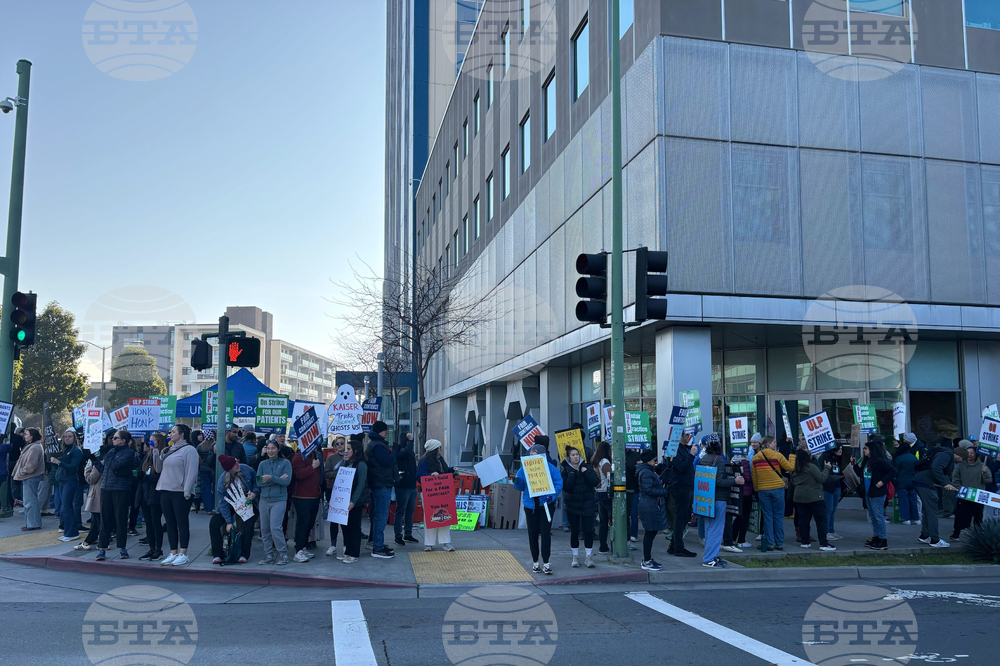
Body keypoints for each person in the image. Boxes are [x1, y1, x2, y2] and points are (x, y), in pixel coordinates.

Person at [513, 440, 562, 574]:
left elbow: (558, 483)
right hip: (530, 506)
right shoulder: (524, 469)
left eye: (534, 454)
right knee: (532, 534)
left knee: (546, 534)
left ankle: (546, 562)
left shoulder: (550, 468)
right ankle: (535, 562)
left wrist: (550, 496)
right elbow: (519, 486)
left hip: (546, 505)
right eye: (530, 454)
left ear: (542, 455)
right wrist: (518, 482)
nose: (531, 456)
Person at [157, 424, 199, 566]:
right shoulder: (168, 449)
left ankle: (183, 553)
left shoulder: (189, 450)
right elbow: (158, 468)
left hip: (180, 491)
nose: (170, 433)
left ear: (182, 434)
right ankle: (173, 552)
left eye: (173, 432)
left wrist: (187, 490)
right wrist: (156, 453)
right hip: (165, 489)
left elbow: (192, 471)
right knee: (170, 523)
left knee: (182, 522)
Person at [95, 430, 139, 561]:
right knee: (105, 519)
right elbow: (105, 470)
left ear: (123, 441)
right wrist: (95, 459)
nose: (112, 440)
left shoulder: (129, 453)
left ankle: (122, 547)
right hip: (106, 487)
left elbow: (116, 466)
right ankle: (102, 547)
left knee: (120, 518)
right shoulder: (111, 452)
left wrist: (107, 455)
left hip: (120, 488)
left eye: (115, 438)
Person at [210, 455, 258, 564]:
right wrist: (228, 522)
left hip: (248, 503)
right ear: (230, 468)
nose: (238, 465)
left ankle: (244, 554)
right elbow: (223, 503)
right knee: (214, 524)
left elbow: (257, 482)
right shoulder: (223, 481)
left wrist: (254, 493)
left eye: (237, 462)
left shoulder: (247, 470)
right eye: (235, 464)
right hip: (230, 504)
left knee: (248, 527)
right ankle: (218, 554)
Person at [698, 436, 736, 568]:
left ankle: (711, 555)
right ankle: (709, 558)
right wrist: (735, 481)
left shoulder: (703, 459)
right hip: (718, 498)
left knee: (709, 528)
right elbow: (719, 481)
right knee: (716, 529)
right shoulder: (718, 460)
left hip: (706, 498)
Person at [853, 438, 897, 551]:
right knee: (872, 517)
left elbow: (892, 471)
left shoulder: (880, 461)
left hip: (877, 493)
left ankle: (883, 539)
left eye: (866, 448)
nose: (864, 450)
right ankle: (876, 537)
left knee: (878, 516)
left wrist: (882, 481)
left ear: (872, 450)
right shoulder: (866, 461)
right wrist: (855, 464)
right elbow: (860, 473)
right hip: (868, 493)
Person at [560, 445, 600, 568]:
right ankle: (575, 557)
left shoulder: (586, 467)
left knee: (588, 531)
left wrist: (586, 472)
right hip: (572, 505)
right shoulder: (565, 470)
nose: (576, 457)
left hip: (588, 504)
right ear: (568, 458)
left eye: (577, 454)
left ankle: (588, 557)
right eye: (573, 455)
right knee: (575, 531)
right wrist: (572, 475)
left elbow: (595, 482)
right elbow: (566, 488)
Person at [913, 439, 957, 548]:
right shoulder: (947, 455)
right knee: (933, 511)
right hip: (926, 483)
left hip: (922, 481)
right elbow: (936, 468)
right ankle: (935, 540)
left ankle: (925, 535)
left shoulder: (942, 453)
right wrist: (945, 483)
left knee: (928, 510)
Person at [751, 435, 793, 550]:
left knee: (767, 516)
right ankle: (779, 543)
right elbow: (789, 467)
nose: (775, 444)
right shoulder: (777, 455)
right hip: (778, 488)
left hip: (763, 490)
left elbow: (754, 476)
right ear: (768, 444)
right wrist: (792, 456)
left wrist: (756, 489)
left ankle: (769, 542)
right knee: (778, 516)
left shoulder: (755, 458)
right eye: (774, 442)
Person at [790, 448, 836, 551]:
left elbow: (792, 482)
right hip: (815, 497)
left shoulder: (795, 469)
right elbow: (822, 478)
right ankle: (823, 544)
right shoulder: (810, 467)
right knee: (821, 521)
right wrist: (827, 468)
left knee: (804, 520)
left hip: (799, 497)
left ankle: (805, 541)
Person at [417, 438, 457, 551]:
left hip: (440, 493)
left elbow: (444, 472)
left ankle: (445, 542)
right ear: (435, 449)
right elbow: (419, 475)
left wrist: (452, 470)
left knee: (444, 515)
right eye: (439, 447)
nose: (440, 449)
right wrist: (430, 475)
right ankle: (429, 543)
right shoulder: (425, 461)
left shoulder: (440, 459)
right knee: (432, 517)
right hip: (430, 494)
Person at [257, 439, 292, 565]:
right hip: (264, 500)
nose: (270, 451)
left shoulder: (285, 463)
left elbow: (287, 482)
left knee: (275, 528)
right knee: (265, 529)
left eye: (273, 448)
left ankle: (283, 555)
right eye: (268, 448)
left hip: (279, 500)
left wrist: (270, 478)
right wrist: (277, 479)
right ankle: (269, 555)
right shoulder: (262, 464)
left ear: (278, 449)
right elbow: (259, 482)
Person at [365, 421, 397, 559]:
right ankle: (377, 547)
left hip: (379, 482)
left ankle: (378, 544)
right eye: (385, 430)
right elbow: (387, 461)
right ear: (380, 431)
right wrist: (394, 450)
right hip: (381, 483)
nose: (387, 433)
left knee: (379, 515)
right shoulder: (377, 445)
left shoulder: (374, 443)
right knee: (381, 516)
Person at [635, 448, 669, 571]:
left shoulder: (646, 471)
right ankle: (646, 560)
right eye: (654, 460)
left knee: (652, 531)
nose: (655, 462)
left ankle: (647, 559)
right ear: (649, 460)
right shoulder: (646, 473)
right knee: (650, 532)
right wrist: (665, 492)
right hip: (649, 505)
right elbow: (648, 490)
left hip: (649, 504)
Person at [951, 441, 992, 541]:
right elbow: (955, 478)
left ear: (976, 454)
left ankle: (978, 534)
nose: (970, 455)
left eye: (972, 453)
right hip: (964, 494)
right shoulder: (960, 466)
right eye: (968, 453)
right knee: (961, 514)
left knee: (978, 515)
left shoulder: (982, 466)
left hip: (978, 494)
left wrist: (985, 473)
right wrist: (959, 488)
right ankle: (956, 533)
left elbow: (988, 480)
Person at [665, 433, 697, 558]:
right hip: (680, 486)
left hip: (686, 486)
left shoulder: (684, 448)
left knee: (684, 517)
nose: (687, 436)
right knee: (680, 517)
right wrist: (691, 455)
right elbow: (681, 467)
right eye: (685, 434)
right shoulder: (674, 449)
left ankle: (674, 544)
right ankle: (678, 547)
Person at [290, 445, 322, 563]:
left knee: (309, 523)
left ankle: (303, 547)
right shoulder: (298, 457)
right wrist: (313, 467)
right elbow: (298, 474)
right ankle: (298, 550)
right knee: (303, 524)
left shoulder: (315, 456)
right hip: (301, 496)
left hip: (314, 495)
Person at [137, 434, 166, 561]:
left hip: (155, 493)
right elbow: (141, 471)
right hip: (145, 492)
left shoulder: (161, 455)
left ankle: (158, 549)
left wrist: (147, 477)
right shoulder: (147, 456)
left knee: (155, 522)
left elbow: (159, 474)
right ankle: (151, 547)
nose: (149, 443)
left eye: (152, 441)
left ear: (158, 442)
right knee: (148, 522)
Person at [340, 436, 369, 564]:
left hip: (355, 501)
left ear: (356, 451)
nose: (347, 451)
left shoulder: (361, 464)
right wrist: (345, 462)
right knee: (346, 527)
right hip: (346, 499)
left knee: (354, 527)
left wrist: (353, 501)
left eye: (349, 449)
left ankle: (354, 553)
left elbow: (360, 484)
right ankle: (348, 551)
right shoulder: (350, 462)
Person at [53, 429, 84, 542]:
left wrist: (59, 462)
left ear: (74, 438)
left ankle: (72, 532)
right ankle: (68, 531)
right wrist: (53, 461)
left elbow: (73, 467)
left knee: (67, 507)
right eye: (65, 436)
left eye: (69, 436)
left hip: (70, 480)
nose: (67, 438)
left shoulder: (76, 451)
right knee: (64, 507)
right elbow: (60, 467)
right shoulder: (65, 450)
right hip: (62, 479)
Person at [12, 428, 45, 531]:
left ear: (32, 436)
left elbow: (31, 466)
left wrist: (21, 471)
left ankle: (33, 523)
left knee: (30, 501)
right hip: (30, 476)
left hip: (30, 477)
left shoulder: (34, 448)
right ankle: (31, 522)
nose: (24, 436)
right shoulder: (34, 446)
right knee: (30, 501)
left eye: (26, 434)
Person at [75, 445, 105, 552]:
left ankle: (93, 541)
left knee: (97, 520)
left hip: (97, 493)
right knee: (97, 520)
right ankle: (91, 540)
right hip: (101, 492)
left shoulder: (99, 463)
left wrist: (87, 469)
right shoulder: (104, 460)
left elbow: (91, 479)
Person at [394, 432, 419, 547]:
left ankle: (408, 533)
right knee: (400, 511)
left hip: (411, 485)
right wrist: (411, 441)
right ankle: (398, 535)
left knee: (410, 511)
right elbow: (406, 452)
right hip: (403, 486)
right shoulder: (399, 451)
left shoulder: (409, 451)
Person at [324, 436, 346, 557]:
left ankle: (345, 544)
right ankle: (333, 544)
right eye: (337, 444)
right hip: (332, 489)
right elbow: (326, 473)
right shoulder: (331, 458)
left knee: (345, 519)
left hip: (346, 491)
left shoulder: (350, 457)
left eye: (342, 443)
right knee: (333, 519)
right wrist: (339, 473)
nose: (339, 445)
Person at [590, 440, 613, 554]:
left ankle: (603, 546)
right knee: (613, 519)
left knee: (603, 521)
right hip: (605, 492)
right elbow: (610, 477)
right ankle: (615, 545)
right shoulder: (604, 462)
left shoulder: (595, 461)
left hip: (598, 492)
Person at [730, 448, 754, 549]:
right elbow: (748, 478)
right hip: (746, 493)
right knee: (744, 517)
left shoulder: (732, 462)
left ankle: (732, 537)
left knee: (738, 516)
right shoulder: (745, 462)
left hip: (736, 492)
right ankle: (741, 540)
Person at [892, 439, 919, 525]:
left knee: (904, 500)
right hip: (913, 481)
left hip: (901, 482)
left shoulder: (898, 458)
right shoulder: (914, 457)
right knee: (913, 500)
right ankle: (915, 518)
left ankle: (906, 518)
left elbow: (894, 471)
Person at [196, 432, 216, 515]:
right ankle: (215, 507)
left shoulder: (200, 446)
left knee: (206, 489)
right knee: (215, 488)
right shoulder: (214, 445)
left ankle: (208, 509)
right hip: (213, 469)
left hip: (203, 469)